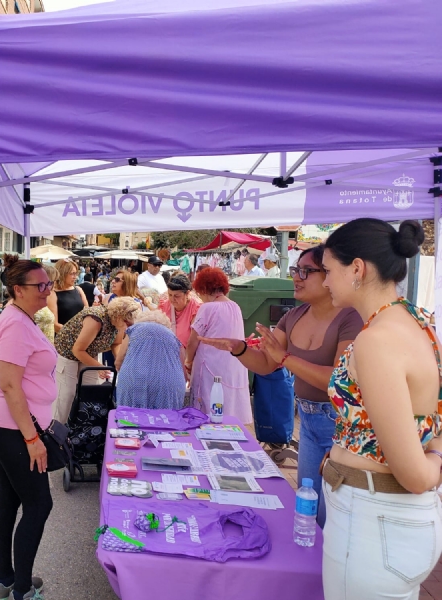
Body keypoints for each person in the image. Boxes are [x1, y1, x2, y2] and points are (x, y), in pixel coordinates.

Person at [320, 219, 442, 600]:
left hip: (375, 522)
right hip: (387, 521)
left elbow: (416, 475)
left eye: (327, 271)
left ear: (356, 268)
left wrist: (435, 459)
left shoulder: (377, 340)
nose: (325, 282)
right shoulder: (417, 323)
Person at [199, 245, 362, 526]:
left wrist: (284, 358)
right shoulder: (294, 316)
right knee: (309, 503)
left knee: (332, 510)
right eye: (295, 270)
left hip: (339, 423)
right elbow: (265, 365)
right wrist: (238, 349)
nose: (296, 277)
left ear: (331, 274)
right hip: (309, 420)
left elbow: (337, 381)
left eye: (306, 271)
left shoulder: (351, 318)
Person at [0, 255, 56, 600]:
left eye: (48, 283)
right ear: (17, 290)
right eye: (39, 285)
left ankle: (8, 579)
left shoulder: (19, 318)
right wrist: (31, 438)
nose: (46, 291)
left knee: (10, 499)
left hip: (11, 423)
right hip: (14, 427)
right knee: (39, 504)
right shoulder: (15, 323)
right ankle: (21, 589)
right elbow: (11, 385)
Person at [53, 297, 141, 423]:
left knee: (90, 393)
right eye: (127, 322)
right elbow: (77, 350)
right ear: (118, 316)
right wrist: (100, 366)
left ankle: (82, 428)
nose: (128, 327)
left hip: (88, 352)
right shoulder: (95, 319)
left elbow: (116, 344)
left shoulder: (119, 323)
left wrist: (120, 361)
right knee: (66, 395)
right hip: (67, 354)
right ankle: (56, 433)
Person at [185, 267, 253, 424]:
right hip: (233, 363)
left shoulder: (207, 308)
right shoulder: (235, 306)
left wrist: (188, 361)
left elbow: (193, 340)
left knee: (208, 407)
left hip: (209, 365)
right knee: (228, 405)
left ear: (204, 289)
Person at [115, 310, 186, 410]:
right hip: (168, 384)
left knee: (131, 419)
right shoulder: (173, 337)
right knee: (165, 421)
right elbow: (183, 370)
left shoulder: (135, 329)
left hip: (134, 380)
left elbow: (119, 360)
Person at [158, 274, 202, 348]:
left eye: (176, 296)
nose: (172, 299)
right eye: (170, 295)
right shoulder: (164, 306)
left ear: (187, 293)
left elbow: (194, 342)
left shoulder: (195, 310)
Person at [47, 259, 87, 334]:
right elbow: (55, 324)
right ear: (62, 274)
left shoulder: (79, 290)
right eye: (72, 274)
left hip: (81, 336)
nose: (75, 277)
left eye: (76, 273)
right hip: (63, 338)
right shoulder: (52, 294)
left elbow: (87, 313)